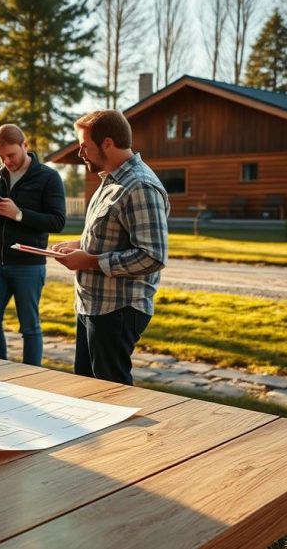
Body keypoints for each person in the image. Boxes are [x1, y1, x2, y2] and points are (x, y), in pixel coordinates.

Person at [53, 109, 169, 386]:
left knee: (110, 394)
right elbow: (109, 237)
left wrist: (89, 261)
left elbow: (152, 256)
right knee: (87, 389)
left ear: (107, 143)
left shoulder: (139, 185)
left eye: (84, 146)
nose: (80, 154)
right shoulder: (110, 181)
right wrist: (78, 247)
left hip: (118, 310)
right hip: (92, 305)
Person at [0, 124, 66, 365]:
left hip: (29, 265)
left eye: (11, 155)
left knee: (29, 326)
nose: (6, 161)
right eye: (0, 155)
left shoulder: (48, 177)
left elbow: (57, 221)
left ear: (25, 145)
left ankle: (31, 379)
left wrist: (19, 214)